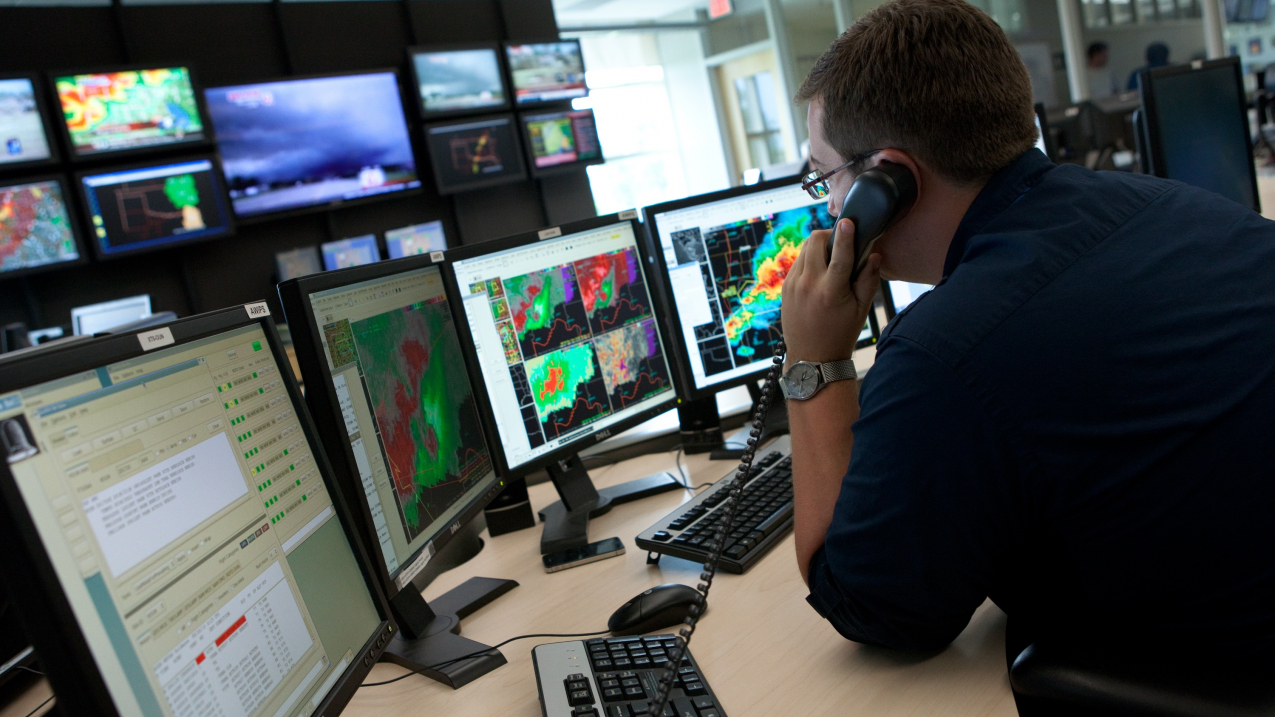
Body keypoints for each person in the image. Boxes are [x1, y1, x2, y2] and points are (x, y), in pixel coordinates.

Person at [780, 0, 1275, 701]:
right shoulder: (1170, 205)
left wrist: (815, 362)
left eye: (825, 177)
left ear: (884, 181)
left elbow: (872, 606)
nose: (830, 210)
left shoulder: (944, 351)